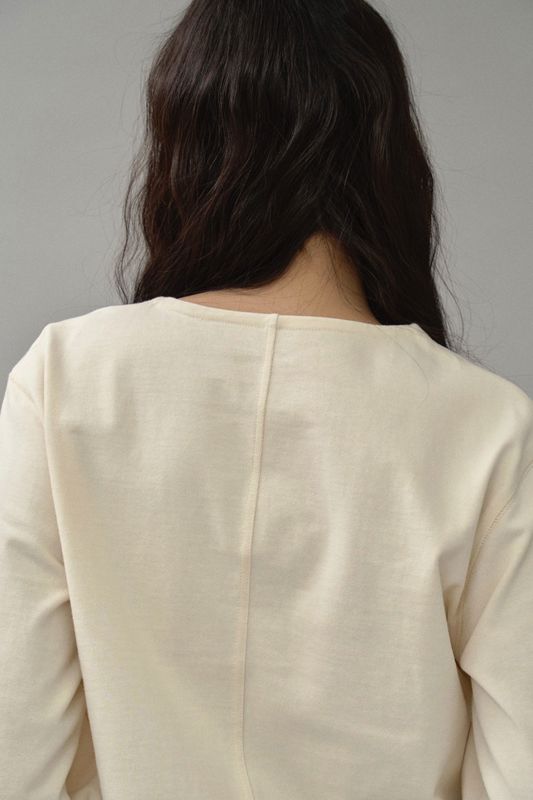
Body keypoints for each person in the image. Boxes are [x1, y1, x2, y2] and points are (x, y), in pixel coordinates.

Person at [0, 1, 532, 798]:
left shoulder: (65, 379)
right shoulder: (482, 424)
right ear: (387, 155)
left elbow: (16, 748)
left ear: (184, 146)